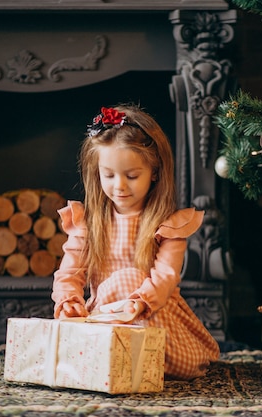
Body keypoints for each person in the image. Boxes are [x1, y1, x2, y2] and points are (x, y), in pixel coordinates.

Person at [51, 104, 220, 380]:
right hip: (106, 316)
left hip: (153, 311)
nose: (119, 185)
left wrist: (139, 303)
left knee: (130, 279)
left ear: (154, 172)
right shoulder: (88, 222)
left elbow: (165, 277)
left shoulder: (168, 224)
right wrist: (69, 299)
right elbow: (69, 272)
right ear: (97, 173)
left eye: (131, 176)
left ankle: (139, 358)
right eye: (109, 175)